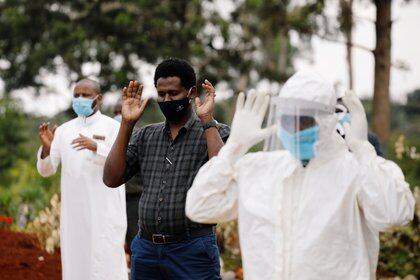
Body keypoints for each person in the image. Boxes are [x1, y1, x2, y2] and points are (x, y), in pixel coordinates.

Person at [186, 71, 415, 279]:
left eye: (304, 120)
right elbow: (199, 206)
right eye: (288, 119)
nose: (294, 128)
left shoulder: (355, 171)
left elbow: (393, 214)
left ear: (327, 120)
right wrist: (233, 149)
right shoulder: (259, 169)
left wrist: (363, 149)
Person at [103, 58, 230, 279]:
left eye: (173, 93)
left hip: (192, 249)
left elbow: (224, 175)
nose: (166, 99)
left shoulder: (214, 132)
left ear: (191, 92)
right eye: (161, 94)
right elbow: (111, 178)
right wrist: (127, 124)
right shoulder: (145, 136)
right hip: (147, 250)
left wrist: (208, 121)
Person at [37, 78, 128, 280]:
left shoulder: (114, 128)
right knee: (76, 265)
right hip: (74, 216)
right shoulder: (63, 131)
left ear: (99, 98)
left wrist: (97, 147)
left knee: (107, 265)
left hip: (105, 213)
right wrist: (46, 147)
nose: (80, 99)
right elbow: (47, 170)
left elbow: (125, 163)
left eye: (85, 95)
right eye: (76, 95)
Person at [114, 98, 143, 253]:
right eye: (116, 112)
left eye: (121, 110)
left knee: (134, 241)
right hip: (112, 198)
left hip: (133, 198)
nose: (120, 115)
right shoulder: (109, 135)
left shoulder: (140, 135)